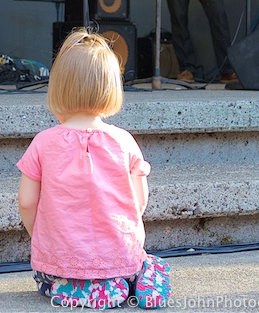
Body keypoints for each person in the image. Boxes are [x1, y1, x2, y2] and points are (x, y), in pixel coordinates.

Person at [17, 29, 171, 310]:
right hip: (119, 258)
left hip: (60, 263)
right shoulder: (124, 141)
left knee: (48, 279)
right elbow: (139, 202)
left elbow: (27, 202)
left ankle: (81, 288)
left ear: (58, 87)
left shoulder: (43, 143)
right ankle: (134, 279)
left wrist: (44, 236)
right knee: (138, 261)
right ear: (112, 87)